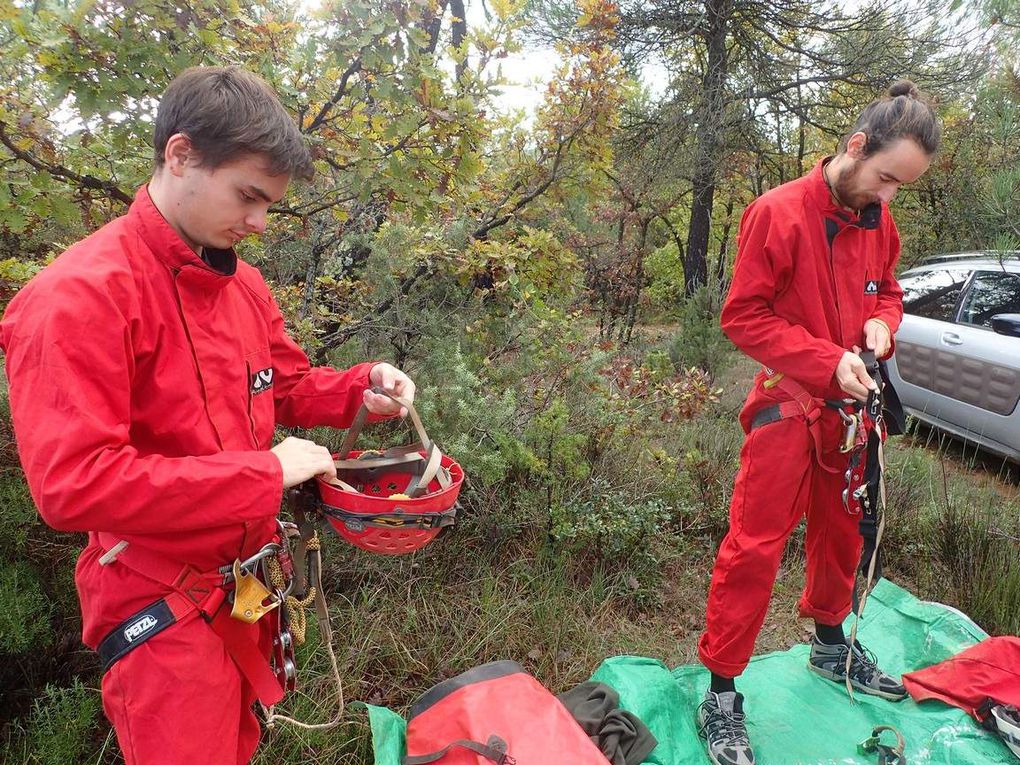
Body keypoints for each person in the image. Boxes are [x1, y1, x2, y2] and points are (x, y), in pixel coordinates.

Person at [0, 66, 415, 764]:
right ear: (181, 154)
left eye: (269, 206)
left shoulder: (240, 284)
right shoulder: (77, 297)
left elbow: (281, 383)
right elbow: (73, 485)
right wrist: (264, 473)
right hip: (159, 607)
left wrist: (358, 390)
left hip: (247, 591)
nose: (257, 222)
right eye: (248, 196)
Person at [695, 80, 941, 765]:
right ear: (856, 147)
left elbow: (888, 288)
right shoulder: (776, 214)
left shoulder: (877, 220)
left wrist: (880, 324)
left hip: (852, 415)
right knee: (754, 546)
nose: (887, 197)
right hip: (787, 405)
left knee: (842, 536)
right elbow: (743, 315)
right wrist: (826, 359)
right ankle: (720, 692)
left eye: (901, 188)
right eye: (885, 178)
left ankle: (832, 646)